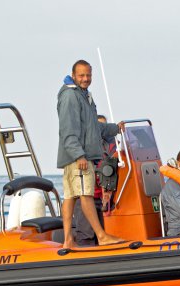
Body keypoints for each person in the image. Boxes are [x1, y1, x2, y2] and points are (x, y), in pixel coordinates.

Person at [57, 59, 124, 249]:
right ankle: (101, 236)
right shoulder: (70, 96)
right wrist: (79, 155)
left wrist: (115, 128)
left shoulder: (84, 95)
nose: (85, 78)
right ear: (73, 75)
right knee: (85, 194)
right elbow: (68, 129)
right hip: (79, 156)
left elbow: (93, 127)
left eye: (88, 75)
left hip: (77, 155)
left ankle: (68, 240)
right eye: (81, 75)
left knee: (70, 196)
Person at [71, 114, 116, 246]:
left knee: (107, 232)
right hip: (86, 197)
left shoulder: (112, 147)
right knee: (86, 234)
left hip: (106, 199)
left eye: (104, 127)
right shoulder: (83, 148)